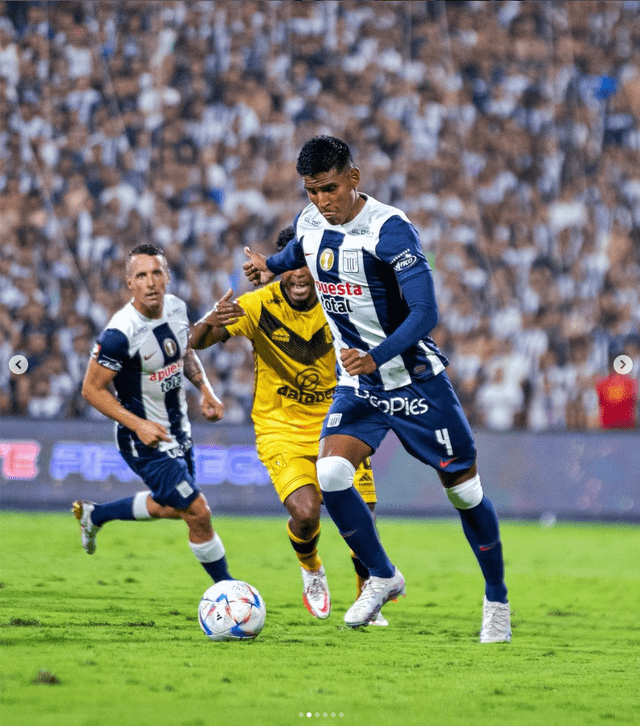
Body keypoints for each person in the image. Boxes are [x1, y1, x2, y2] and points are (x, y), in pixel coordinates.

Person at [243, 135, 511, 641]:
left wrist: (375, 355)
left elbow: (426, 313)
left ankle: (496, 599)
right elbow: (295, 252)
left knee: (465, 493)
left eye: (330, 189)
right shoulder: (309, 221)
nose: (322, 201)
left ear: (354, 179)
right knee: (332, 471)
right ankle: (383, 575)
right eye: (311, 191)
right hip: (360, 386)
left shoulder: (390, 231)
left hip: (414, 383)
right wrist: (268, 266)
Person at [190, 227, 387, 625]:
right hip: (279, 424)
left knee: (363, 514)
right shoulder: (258, 304)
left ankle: (368, 596)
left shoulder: (339, 301)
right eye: (290, 265)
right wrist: (211, 317)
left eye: (306, 265)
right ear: (279, 269)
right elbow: (195, 341)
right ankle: (311, 567)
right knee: (306, 512)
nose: (299, 274)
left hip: (336, 420)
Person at [73, 243, 234, 586]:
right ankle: (228, 591)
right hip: (141, 439)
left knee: (175, 507)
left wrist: (205, 389)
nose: (150, 282)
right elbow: (91, 389)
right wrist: (138, 424)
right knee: (198, 511)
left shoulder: (176, 308)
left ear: (167, 277)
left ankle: (95, 514)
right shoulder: (120, 334)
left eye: (156, 273)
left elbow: (185, 353)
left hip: (178, 430)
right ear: (130, 282)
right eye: (141, 275)